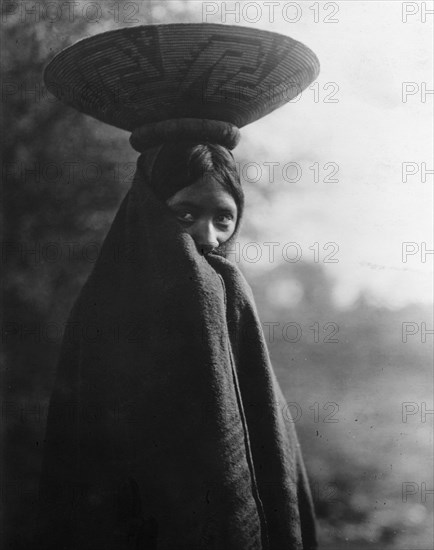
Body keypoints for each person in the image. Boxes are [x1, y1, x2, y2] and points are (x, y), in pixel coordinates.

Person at [37, 23, 320, 550]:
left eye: (223, 218)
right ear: (148, 210)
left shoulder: (229, 291)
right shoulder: (116, 304)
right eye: (185, 212)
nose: (206, 237)